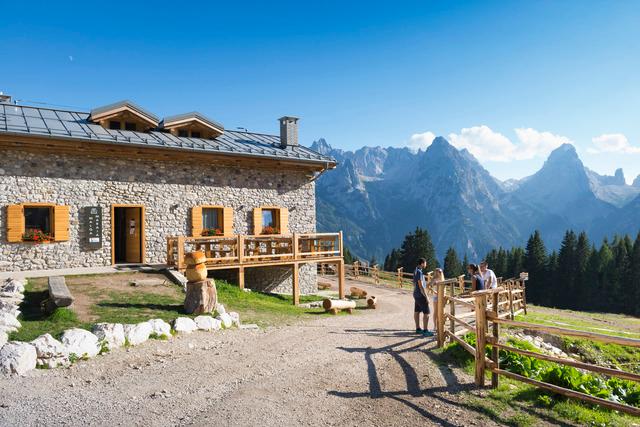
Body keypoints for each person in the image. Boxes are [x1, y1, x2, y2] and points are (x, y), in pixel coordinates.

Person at [413, 258, 433, 336]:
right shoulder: (419, 272)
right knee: (427, 312)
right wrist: (426, 297)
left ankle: (418, 329)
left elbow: (415, 284)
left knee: (417, 311)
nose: (426, 265)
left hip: (416, 294)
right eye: (425, 263)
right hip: (421, 295)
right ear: (422, 263)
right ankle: (425, 330)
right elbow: (421, 286)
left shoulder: (415, 270)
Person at [430, 268, 445, 332]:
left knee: (441, 312)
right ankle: (435, 326)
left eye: (440, 271)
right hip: (436, 297)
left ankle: (440, 326)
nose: (439, 272)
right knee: (436, 312)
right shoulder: (434, 279)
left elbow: (444, 289)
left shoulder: (443, 279)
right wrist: (434, 291)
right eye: (438, 271)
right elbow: (429, 286)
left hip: (441, 297)